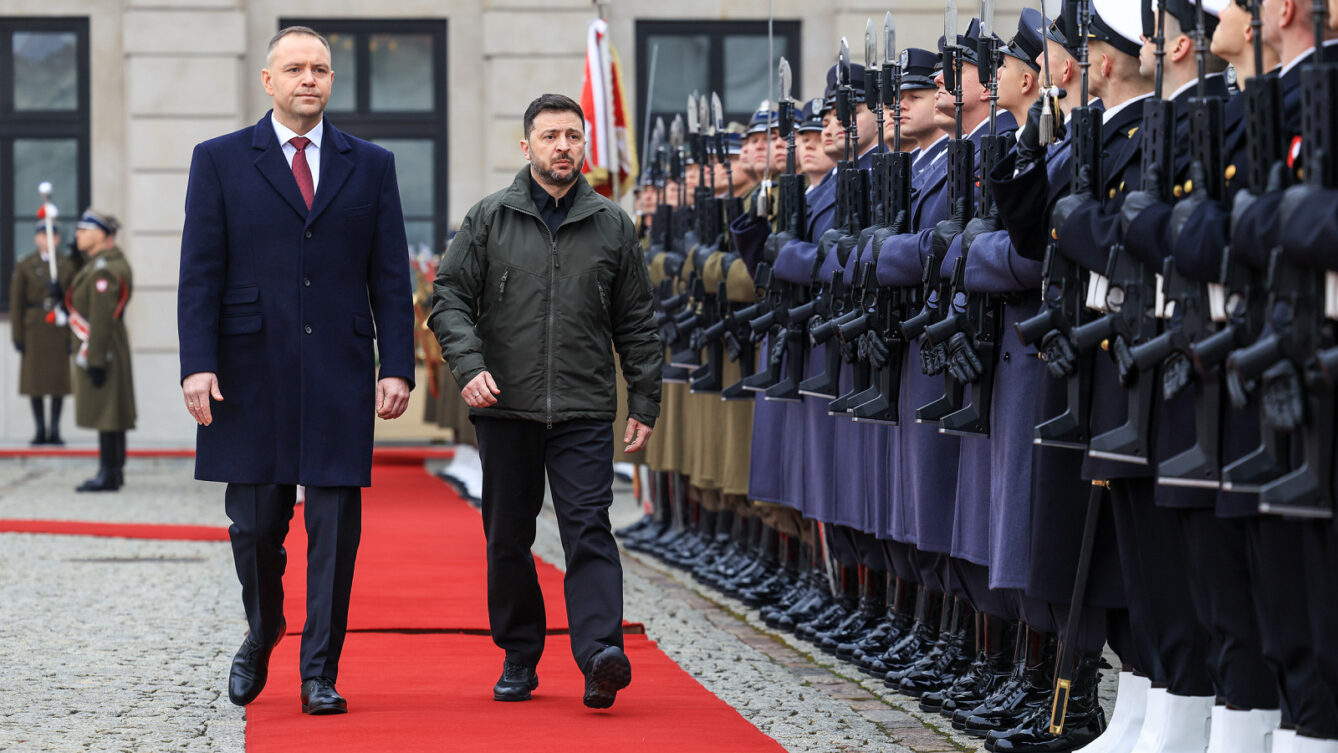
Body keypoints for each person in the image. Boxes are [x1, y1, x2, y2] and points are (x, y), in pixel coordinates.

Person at [177, 25, 415, 716]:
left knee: (336, 533)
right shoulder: (219, 160)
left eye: (320, 69)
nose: (308, 79)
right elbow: (199, 274)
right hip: (249, 372)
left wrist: (394, 364)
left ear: (330, 81)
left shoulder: (370, 165)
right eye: (295, 69)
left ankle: (320, 671)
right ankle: (265, 628)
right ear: (269, 81)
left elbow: (391, 278)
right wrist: (198, 365)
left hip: (340, 369)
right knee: (253, 528)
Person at [429, 93, 663, 709]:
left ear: (584, 145)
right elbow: (447, 297)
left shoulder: (611, 223)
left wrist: (644, 398)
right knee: (507, 535)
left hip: (584, 408)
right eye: (551, 135)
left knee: (589, 528)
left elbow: (637, 320)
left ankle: (599, 656)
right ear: (526, 145)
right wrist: (469, 364)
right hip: (505, 407)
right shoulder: (488, 218)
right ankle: (520, 652)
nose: (563, 146)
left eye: (573, 136)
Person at [68, 210, 134, 491]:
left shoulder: (103, 269)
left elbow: (101, 318)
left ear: (101, 235)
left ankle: (109, 472)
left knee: (108, 411)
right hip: (107, 344)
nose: (78, 235)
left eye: (85, 230)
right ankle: (113, 470)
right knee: (110, 410)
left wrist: (95, 359)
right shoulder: (98, 264)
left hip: (103, 347)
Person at [11, 221, 76, 445]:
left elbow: (73, 300)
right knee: (34, 381)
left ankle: (55, 430)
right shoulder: (26, 265)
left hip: (58, 328)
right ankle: (40, 430)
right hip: (34, 328)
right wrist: (17, 336)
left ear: (57, 239)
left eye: (51, 235)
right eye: (42, 234)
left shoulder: (66, 265)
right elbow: (17, 303)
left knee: (58, 381)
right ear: (36, 238)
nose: (46, 239)